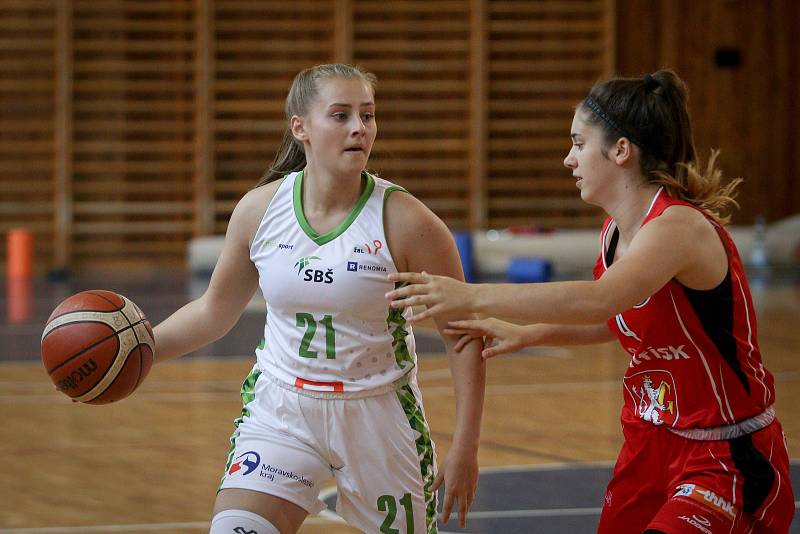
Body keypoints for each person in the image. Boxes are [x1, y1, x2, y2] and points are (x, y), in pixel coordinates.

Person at [387, 70, 794, 533]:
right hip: (651, 442)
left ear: (621, 150)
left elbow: (600, 299)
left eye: (579, 143)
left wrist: (471, 295)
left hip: (725, 453)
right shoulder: (616, 232)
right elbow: (618, 320)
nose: (568, 159)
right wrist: (531, 333)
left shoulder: (678, 228)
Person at [153, 63, 485, 534]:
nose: (359, 128)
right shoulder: (259, 211)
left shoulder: (408, 221)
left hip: (378, 414)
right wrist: (140, 350)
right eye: (341, 115)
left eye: (367, 116)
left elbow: (462, 335)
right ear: (300, 128)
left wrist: (467, 445)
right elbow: (213, 311)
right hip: (283, 408)